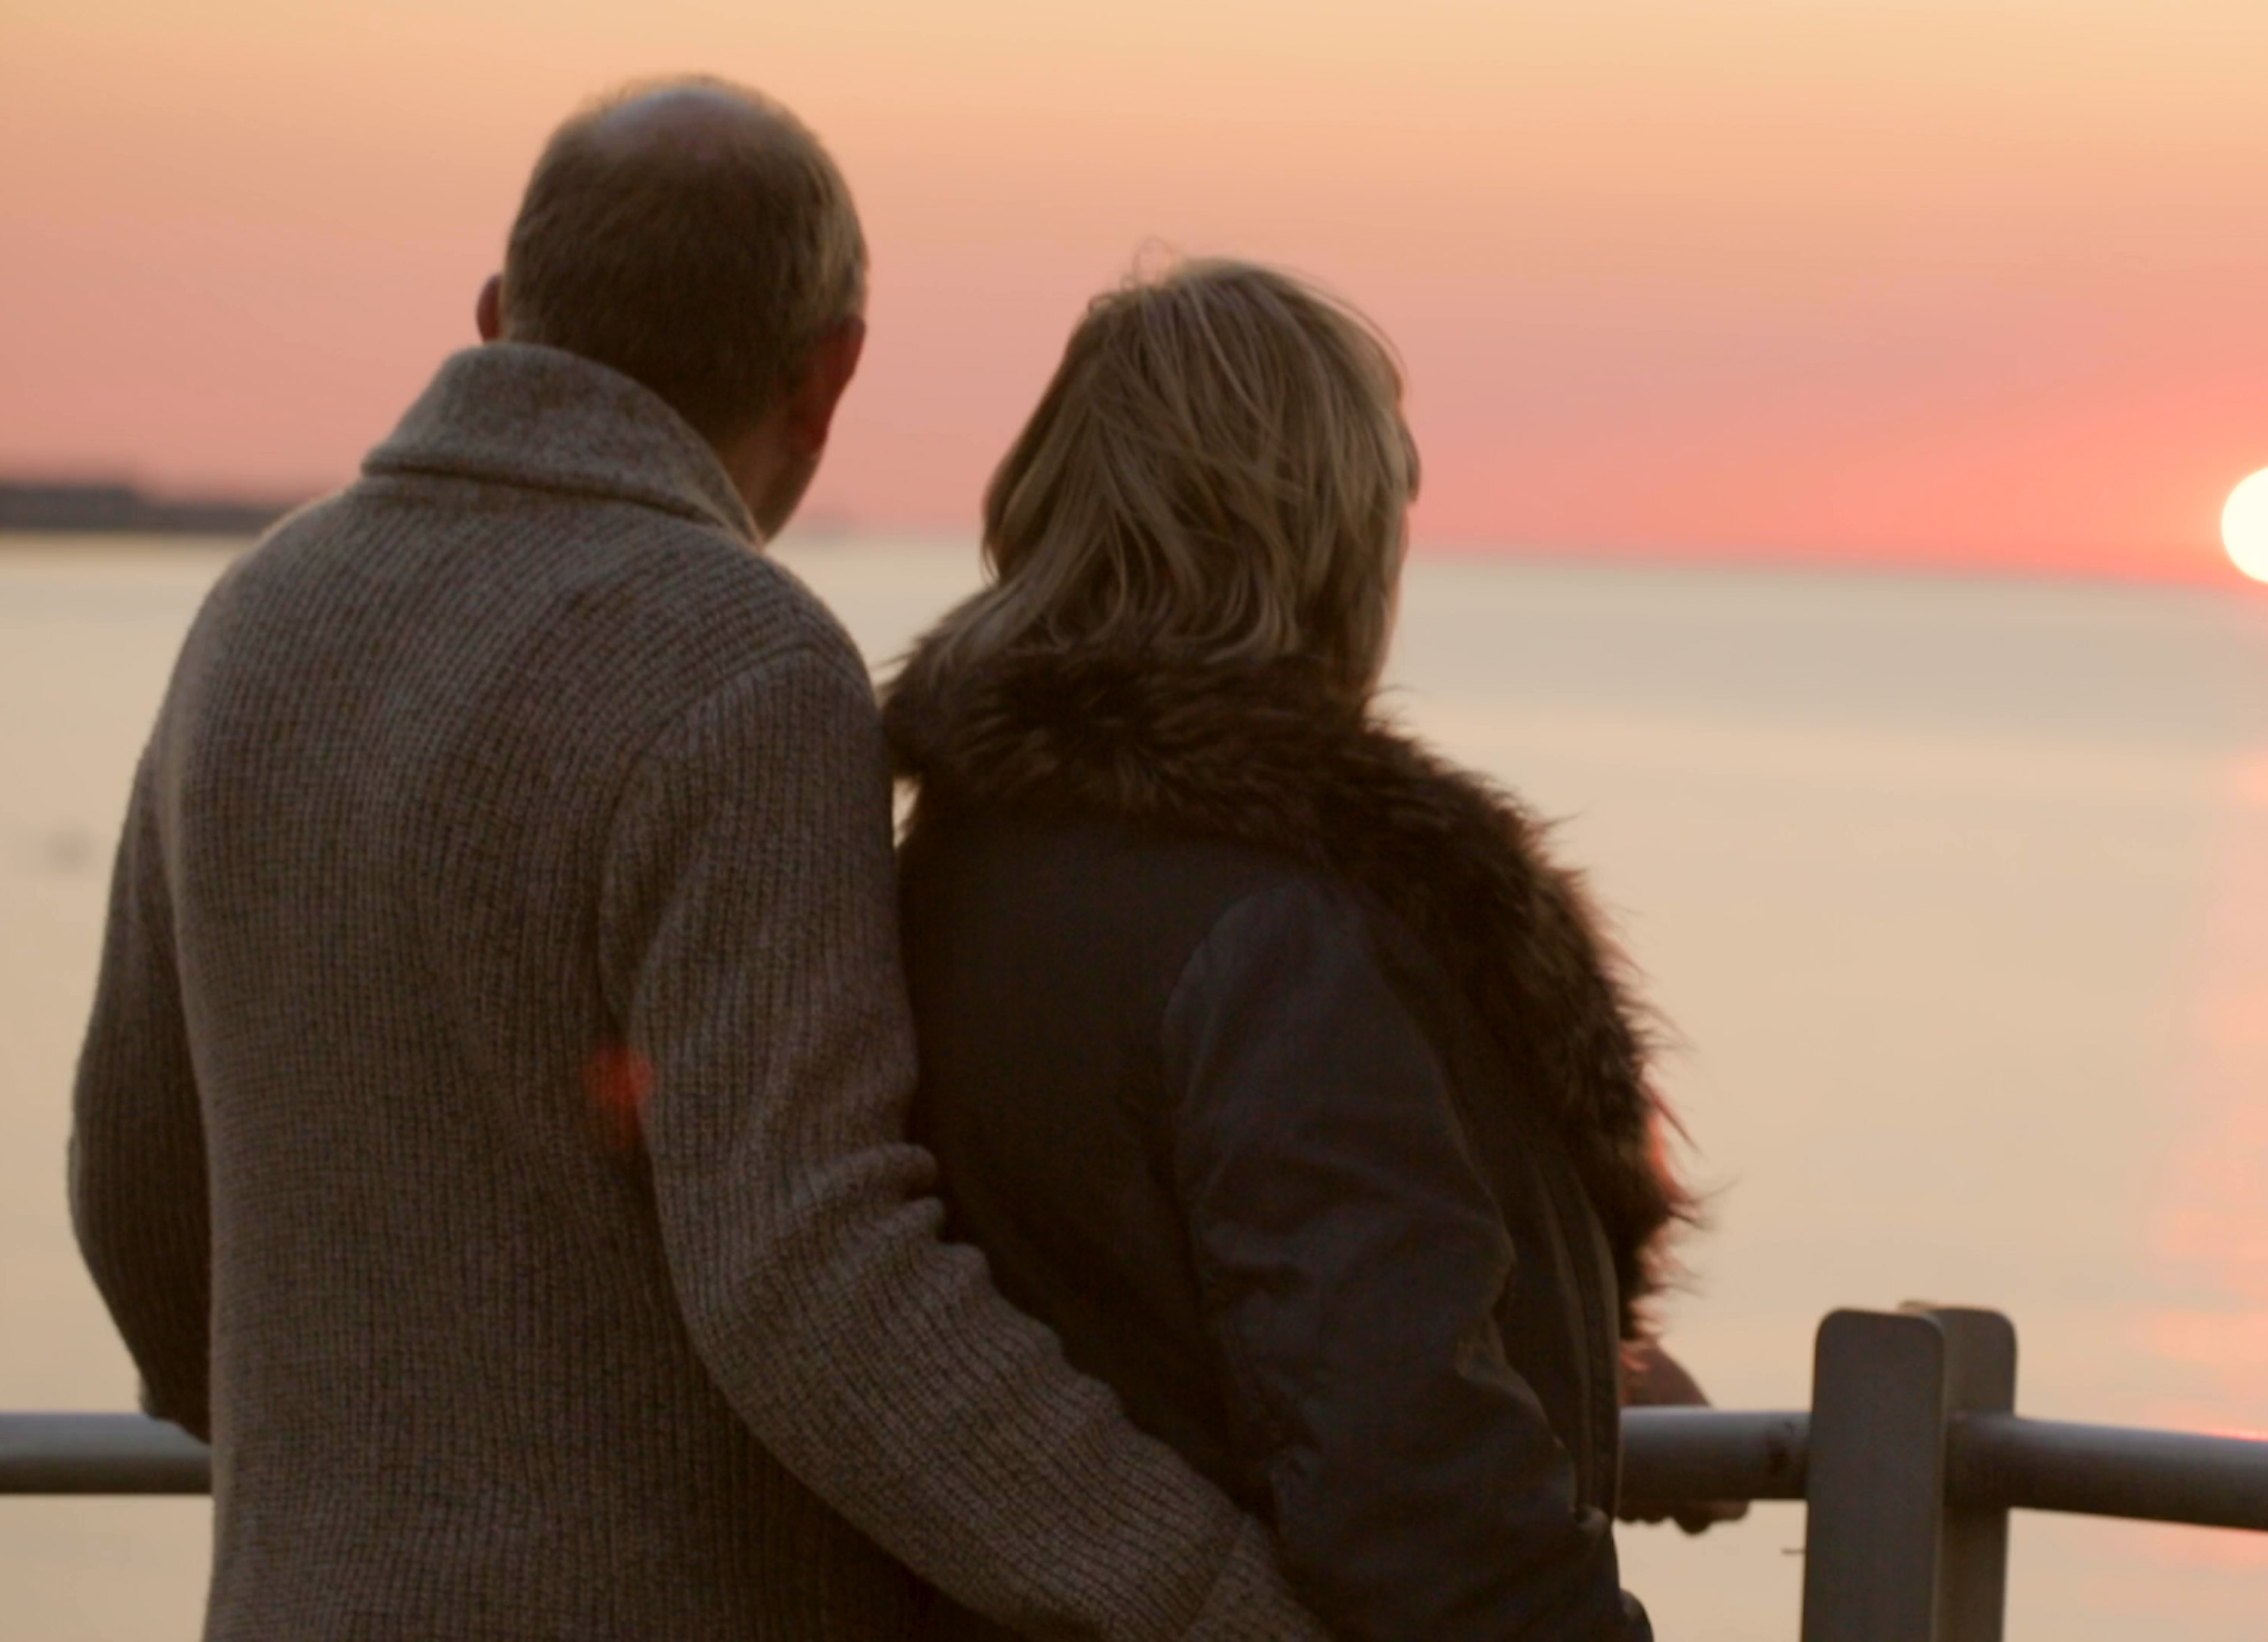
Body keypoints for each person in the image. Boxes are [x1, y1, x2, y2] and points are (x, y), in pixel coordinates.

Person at [68, 79, 1328, 1640]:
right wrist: (1217, 1599)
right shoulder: (742, 664)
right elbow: (813, 1274)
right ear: (830, 374)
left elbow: (136, 1194)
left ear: (497, 310)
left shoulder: (254, 619)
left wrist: (353, 1463)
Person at [882, 259, 1696, 1641]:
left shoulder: (963, 854)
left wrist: (1577, 1353)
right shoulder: (1281, 940)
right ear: (1327, 532)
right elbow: (1405, 1472)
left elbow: (1144, 1286)